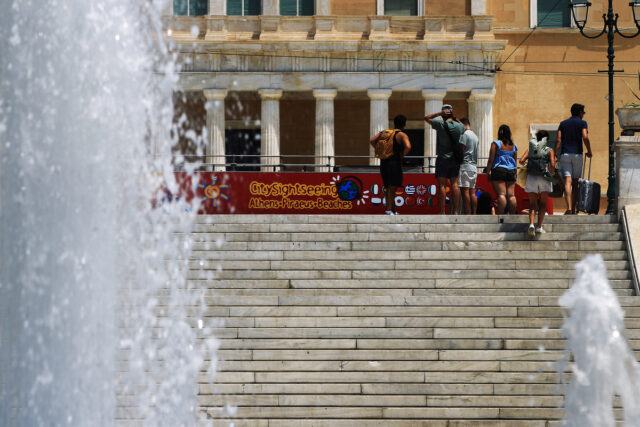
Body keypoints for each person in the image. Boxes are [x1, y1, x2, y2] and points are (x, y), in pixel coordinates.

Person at [424, 104, 465, 215]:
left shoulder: (440, 124)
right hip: (455, 159)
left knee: (442, 185)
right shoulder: (459, 126)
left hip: (443, 158)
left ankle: (442, 211)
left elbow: (426, 118)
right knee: (455, 185)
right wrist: (456, 118)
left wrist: (438, 114)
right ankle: (455, 211)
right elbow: (465, 128)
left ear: (443, 114)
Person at [555, 103, 593, 215]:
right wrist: (589, 151)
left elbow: (558, 140)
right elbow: (585, 137)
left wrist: (555, 155)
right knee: (575, 182)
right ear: (580, 113)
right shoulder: (582, 123)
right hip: (577, 154)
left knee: (567, 181)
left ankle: (569, 208)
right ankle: (575, 209)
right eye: (583, 113)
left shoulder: (563, 124)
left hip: (565, 154)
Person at [370, 114, 411, 215]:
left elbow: (372, 140)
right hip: (394, 162)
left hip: (384, 162)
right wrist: (402, 155)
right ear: (404, 124)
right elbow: (408, 147)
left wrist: (380, 150)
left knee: (388, 187)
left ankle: (393, 210)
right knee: (392, 188)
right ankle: (388, 210)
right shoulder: (402, 135)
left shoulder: (385, 132)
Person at [519, 130, 557, 237]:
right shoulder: (549, 150)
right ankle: (539, 227)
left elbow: (521, 161)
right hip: (544, 176)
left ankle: (531, 224)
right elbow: (553, 164)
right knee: (543, 203)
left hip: (531, 177)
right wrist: (551, 174)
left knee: (532, 204)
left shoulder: (530, 149)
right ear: (546, 139)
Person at [485, 124, 518, 214]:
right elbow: (515, 160)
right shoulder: (513, 146)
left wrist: (487, 173)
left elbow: (491, 160)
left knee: (501, 194)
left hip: (499, 170)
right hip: (511, 170)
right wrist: (515, 173)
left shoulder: (496, 144)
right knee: (511, 195)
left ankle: (500, 216)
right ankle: (512, 216)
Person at [458, 117, 479, 214]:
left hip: (465, 165)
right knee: (472, 192)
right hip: (474, 167)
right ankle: (474, 213)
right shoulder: (475, 136)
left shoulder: (464, 134)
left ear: (463, 125)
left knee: (464, 191)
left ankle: (467, 213)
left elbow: (461, 149)